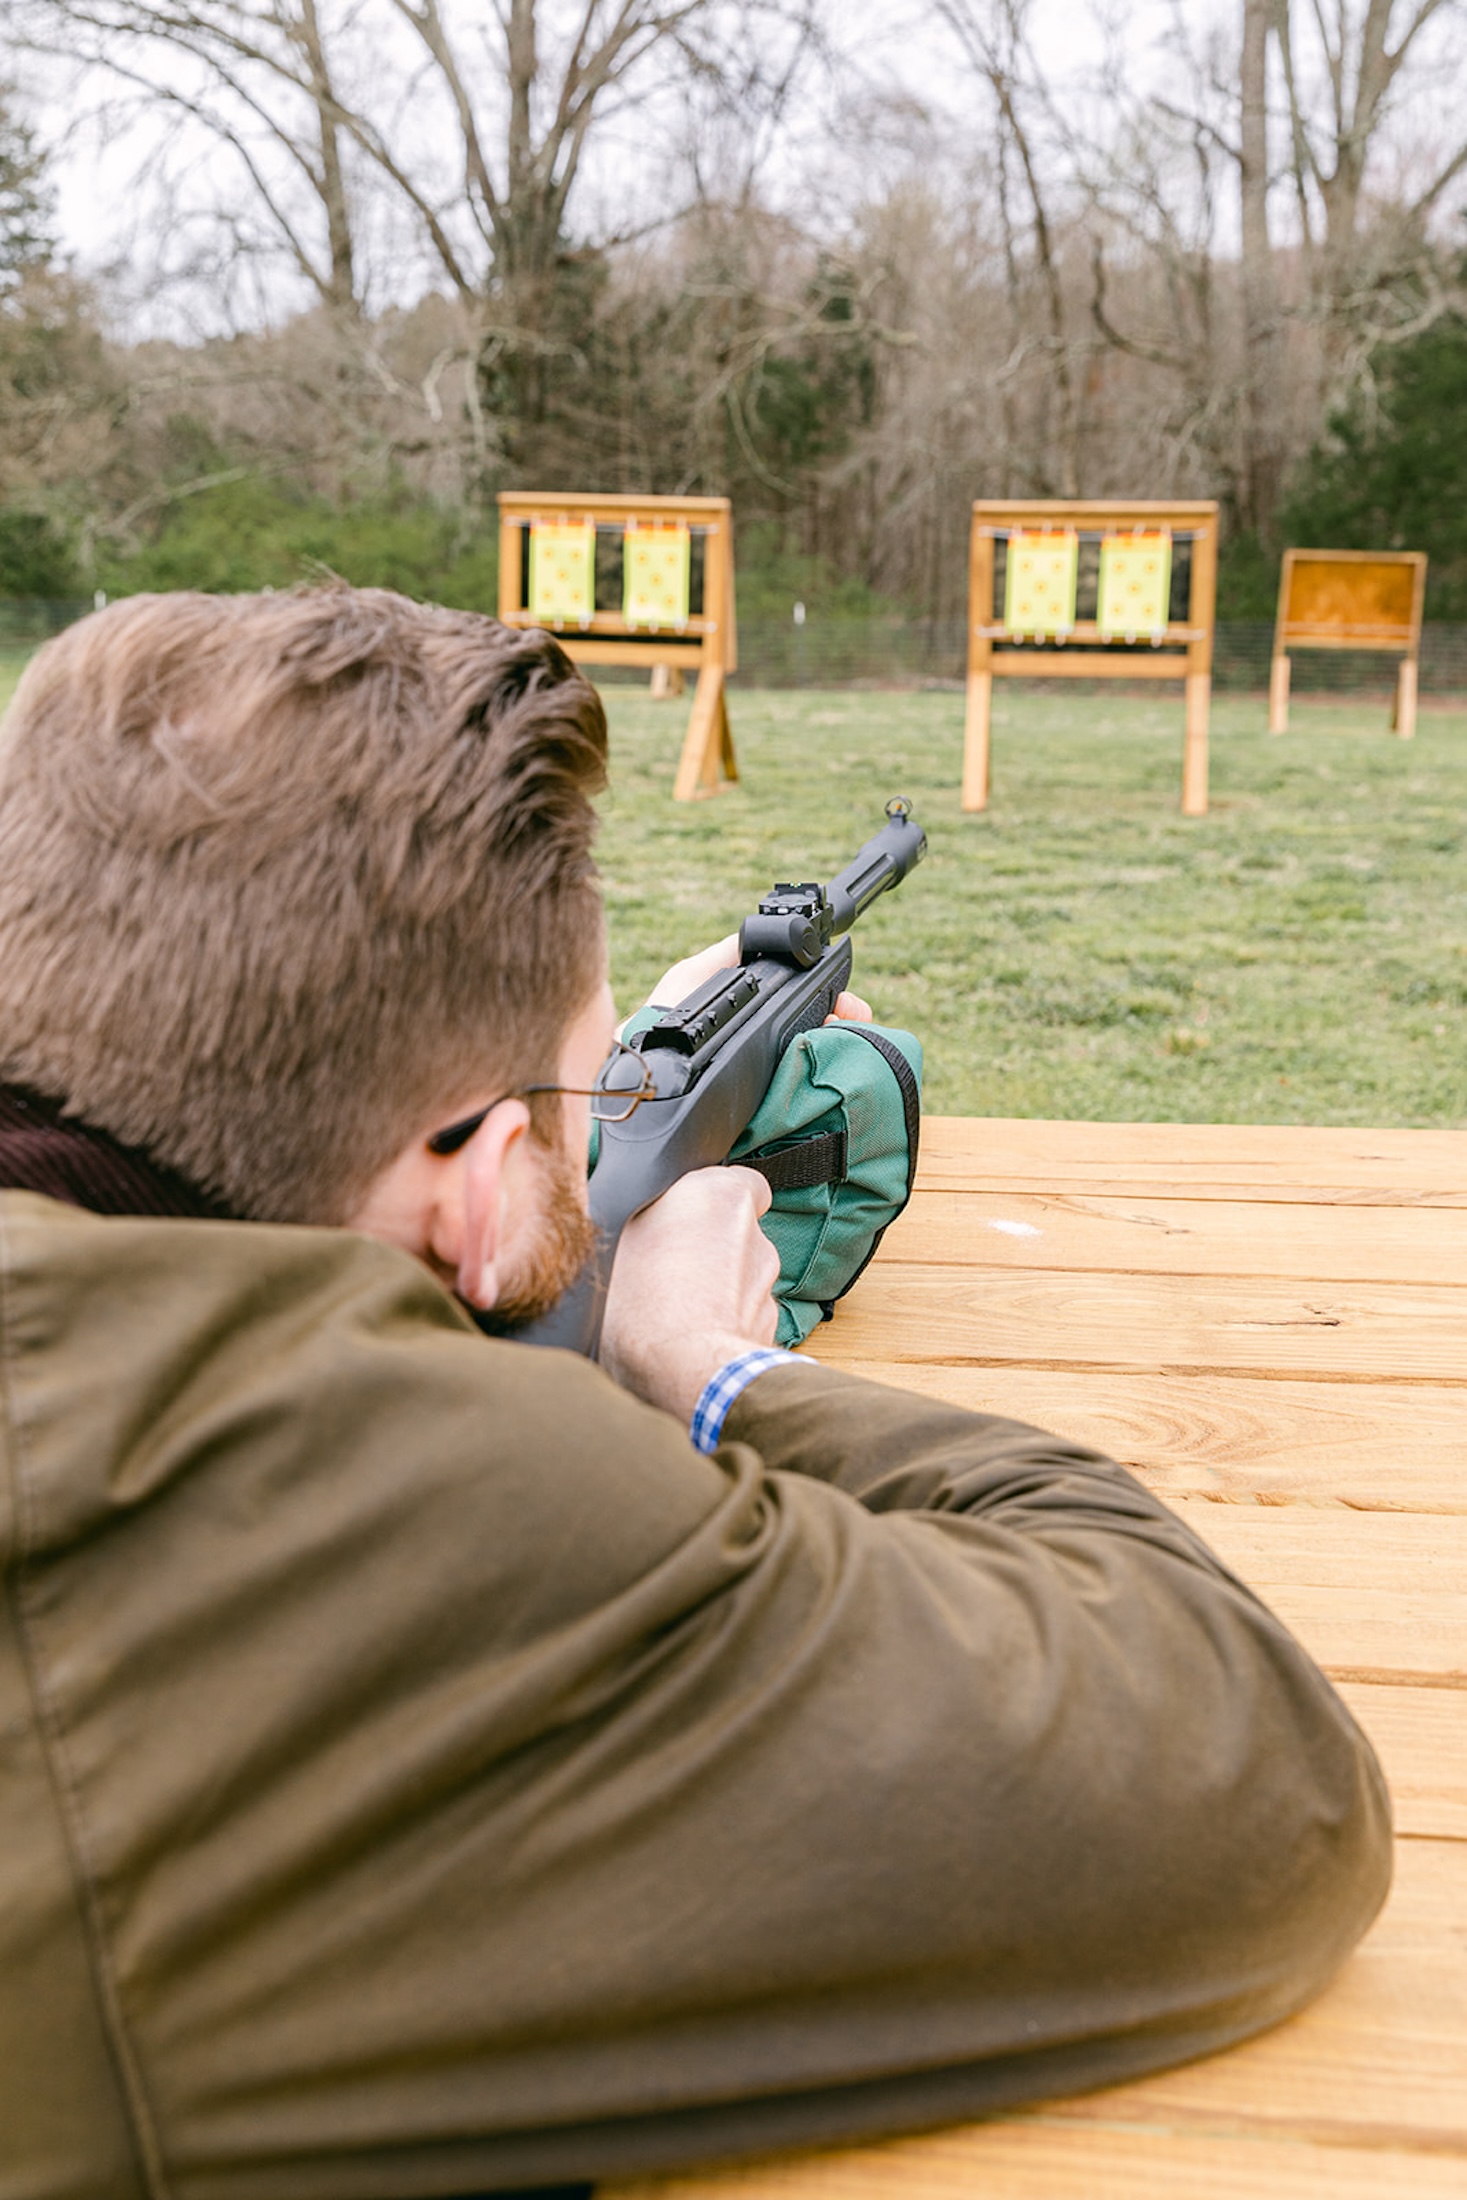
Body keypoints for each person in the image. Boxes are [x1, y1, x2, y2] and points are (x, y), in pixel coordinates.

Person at [0, 588, 1389, 2200]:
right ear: (471, 1195)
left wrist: (599, 1071)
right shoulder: (400, 1503)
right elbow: (1249, 1762)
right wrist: (723, 1374)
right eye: (571, 1106)